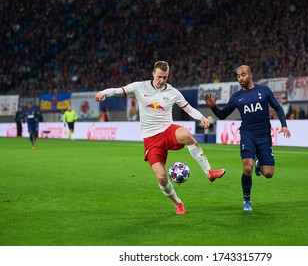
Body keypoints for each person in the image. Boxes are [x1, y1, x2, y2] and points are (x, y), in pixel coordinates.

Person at [95, 61, 225, 215]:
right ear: (153, 74)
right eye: (159, 77)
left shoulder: (173, 92)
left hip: (168, 130)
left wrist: (202, 117)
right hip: (151, 138)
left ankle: (209, 172)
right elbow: (118, 90)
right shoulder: (139, 87)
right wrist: (103, 92)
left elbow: (188, 108)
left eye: (165, 77)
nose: (162, 80)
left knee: (186, 135)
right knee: (162, 177)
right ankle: (178, 203)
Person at [203, 65, 291, 211]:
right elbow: (223, 115)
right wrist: (213, 107)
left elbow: (278, 108)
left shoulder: (264, 90)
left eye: (243, 75)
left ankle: (259, 164)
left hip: (264, 136)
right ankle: (247, 200)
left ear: (250, 75)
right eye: (238, 76)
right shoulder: (237, 97)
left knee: (268, 174)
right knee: (247, 167)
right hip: (247, 135)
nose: (240, 78)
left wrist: (284, 125)